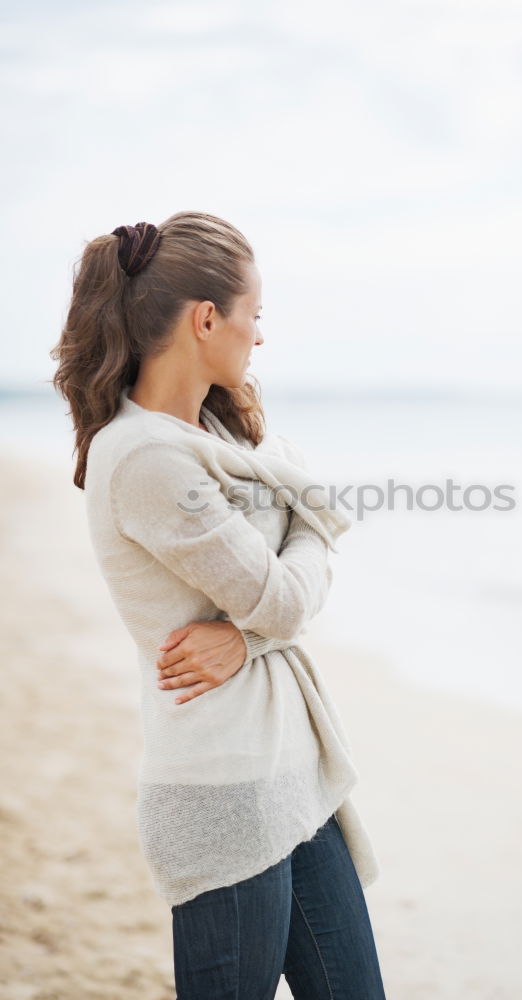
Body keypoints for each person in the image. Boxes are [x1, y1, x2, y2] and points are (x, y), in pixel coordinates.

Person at [50, 211, 388, 999]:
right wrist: (306, 533)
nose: (259, 338)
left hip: (293, 775)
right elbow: (283, 601)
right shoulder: (146, 458)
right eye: (254, 315)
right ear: (206, 319)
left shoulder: (217, 437)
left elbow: (271, 612)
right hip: (223, 789)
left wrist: (248, 635)